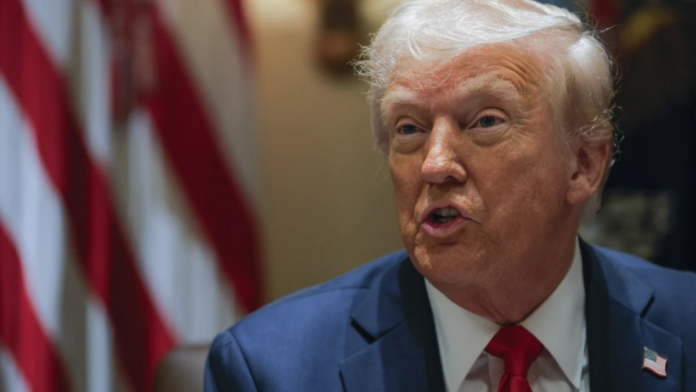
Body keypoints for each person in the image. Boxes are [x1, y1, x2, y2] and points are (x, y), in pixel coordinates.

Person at [205, 0, 696, 391]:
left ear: (584, 165)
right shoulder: (271, 370)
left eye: (485, 121)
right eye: (410, 128)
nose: (435, 164)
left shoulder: (686, 326)